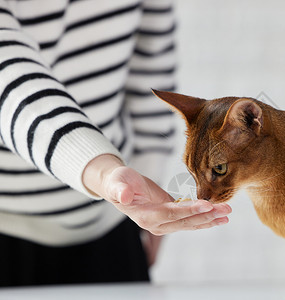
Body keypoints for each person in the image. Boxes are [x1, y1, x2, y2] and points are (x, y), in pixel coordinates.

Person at [0, 0, 231, 286]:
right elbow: (6, 75)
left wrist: (148, 189)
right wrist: (104, 171)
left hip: (115, 222)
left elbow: (151, 60)